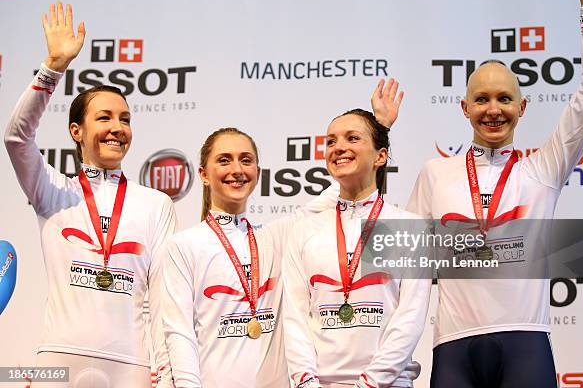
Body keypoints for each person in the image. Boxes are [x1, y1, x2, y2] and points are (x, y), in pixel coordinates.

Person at [404, 0, 583, 387]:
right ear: (464, 108)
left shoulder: (543, 168)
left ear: (523, 106)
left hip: (525, 343)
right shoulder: (435, 174)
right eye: (482, 99)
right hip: (453, 346)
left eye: (504, 99)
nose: (493, 109)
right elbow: (407, 268)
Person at [161, 80, 402, 388]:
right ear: (205, 175)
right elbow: (179, 334)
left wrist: (380, 127)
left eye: (246, 160)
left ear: (258, 173)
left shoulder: (281, 235)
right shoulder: (183, 245)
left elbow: (351, 180)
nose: (237, 169)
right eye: (224, 160)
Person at [4, 3, 176, 387]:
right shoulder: (53, 190)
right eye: (104, 117)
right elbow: (16, 138)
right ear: (76, 131)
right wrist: (52, 68)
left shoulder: (155, 204)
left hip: (131, 365)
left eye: (125, 119)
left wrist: (164, 374)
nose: (117, 128)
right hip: (56, 361)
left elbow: (165, 297)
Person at [282, 106, 432, 387]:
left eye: (352, 138)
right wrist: (306, 383)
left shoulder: (410, 227)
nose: (339, 147)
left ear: (381, 156)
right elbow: (295, 319)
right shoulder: (303, 230)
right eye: (331, 141)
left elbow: (409, 318)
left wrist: (371, 383)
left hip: (388, 384)